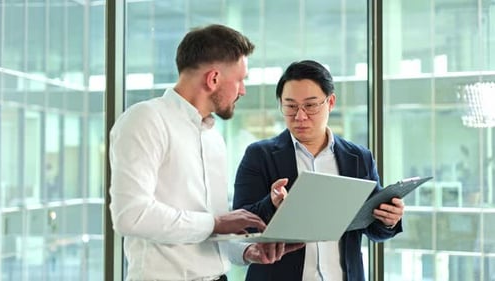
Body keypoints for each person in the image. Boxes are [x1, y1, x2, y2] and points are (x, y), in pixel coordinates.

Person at [109, 24, 303, 281]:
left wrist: (246, 251)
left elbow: (212, 228)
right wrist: (214, 223)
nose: (243, 90)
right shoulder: (146, 119)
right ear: (213, 79)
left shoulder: (213, 137)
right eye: (240, 80)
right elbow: (131, 215)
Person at [233, 60, 405, 281]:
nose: (300, 116)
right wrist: (271, 204)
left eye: (311, 105)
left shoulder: (359, 158)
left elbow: (372, 229)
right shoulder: (260, 155)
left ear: (330, 102)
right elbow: (239, 227)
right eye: (291, 106)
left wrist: (389, 219)